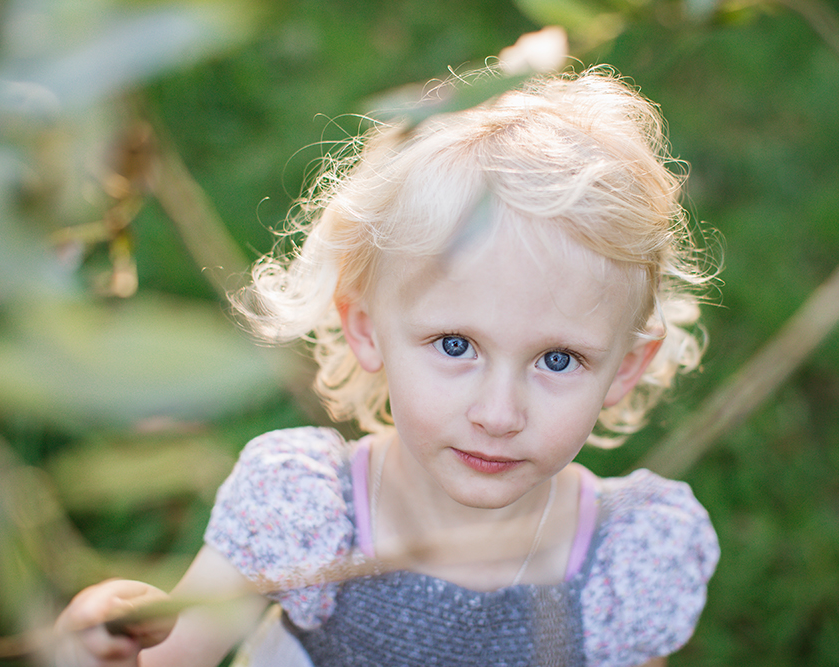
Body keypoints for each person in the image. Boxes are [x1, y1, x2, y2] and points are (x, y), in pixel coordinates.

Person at [54, 64, 719, 667]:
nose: (498, 413)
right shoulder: (309, 511)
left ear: (626, 367)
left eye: (557, 358)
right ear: (367, 329)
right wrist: (112, 645)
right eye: (456, 345)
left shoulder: (623, 562)